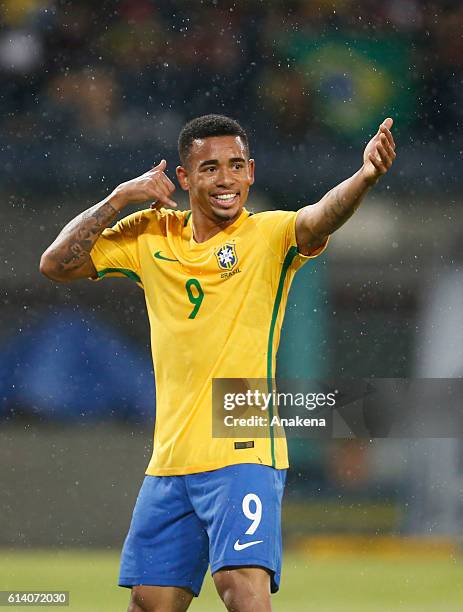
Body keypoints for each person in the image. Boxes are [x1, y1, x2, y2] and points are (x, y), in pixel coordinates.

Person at [40, 114, 396, 612]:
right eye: (209, 168)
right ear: (184, 179)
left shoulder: (269, 236)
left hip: (241, 446)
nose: (225, 179)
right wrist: (120, 198)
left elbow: (319, 217)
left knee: (241, 590)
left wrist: (364, 177)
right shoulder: (151, 234)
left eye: (235, 166)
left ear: (251, 171)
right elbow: (56, 264)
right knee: (150, 603)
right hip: (171, 459)